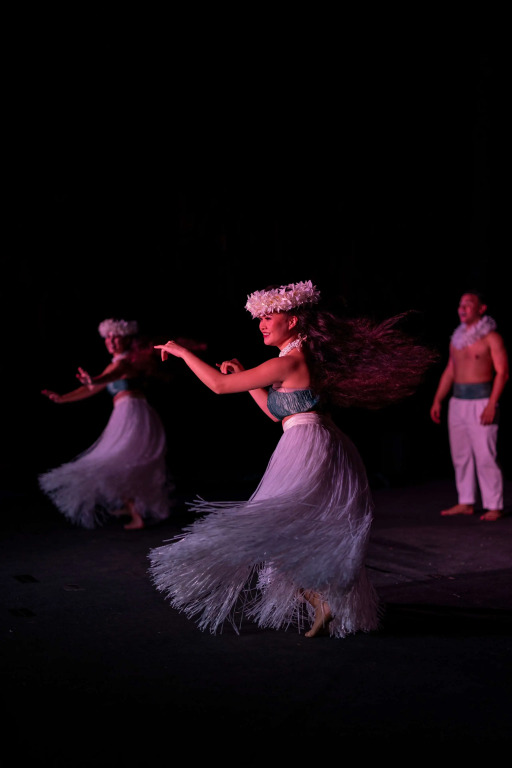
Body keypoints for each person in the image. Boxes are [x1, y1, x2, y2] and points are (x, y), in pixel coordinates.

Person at [148, 280, 438, 638]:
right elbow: (277, 414)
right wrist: (250, 381)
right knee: (291, 532)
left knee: (272, 530)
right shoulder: (299, 360)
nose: (262, 324)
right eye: (260, 318)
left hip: (308, 445)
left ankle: (321, 598)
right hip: (313, 440)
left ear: (293, 320)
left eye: (269, 317)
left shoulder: (288, 362)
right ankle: (321, 600)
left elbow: (218, 387)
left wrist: (183, 353)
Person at [39, 318, 174, 530]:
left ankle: (136, 513)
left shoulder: (125, 361)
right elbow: (92, 388)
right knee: (121, 459)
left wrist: (94, 380)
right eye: (107, 338)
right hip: (127, 411)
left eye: (116, 337)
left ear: (126, 340)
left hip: (132, 413)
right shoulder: (117, 362)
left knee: (119, 460)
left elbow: (110, 376)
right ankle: (131, 506)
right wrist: (63, 398)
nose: (111, 341)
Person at [430, 291, 509, 521]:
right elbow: (450, 371)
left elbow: (503, 373)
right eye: (460, 304)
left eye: (468, 304)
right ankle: (466, 501)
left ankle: (494, 504)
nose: (462, 308)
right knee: (461, 455)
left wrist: (491, 404)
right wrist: (438, 399)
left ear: (481, 309)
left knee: (485, 455)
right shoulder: (456, 339)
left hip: (482, 402)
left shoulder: (491, 338)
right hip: (458, 402)